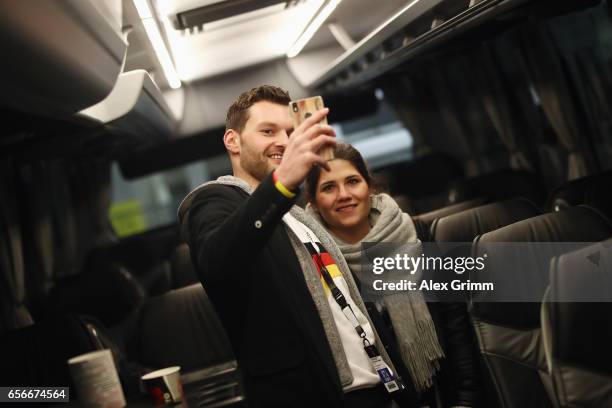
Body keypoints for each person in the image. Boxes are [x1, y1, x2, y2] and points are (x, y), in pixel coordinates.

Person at [178, 86, 416, 408]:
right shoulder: (211, 201)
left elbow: (349, 302)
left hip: (378, 386)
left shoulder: (298, 214)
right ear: (232, 140)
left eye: (290, 132)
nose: (283, 141)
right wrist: (282, 184)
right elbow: (219, 260)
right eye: (268, 131)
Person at [305, 143, 481, 408]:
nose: (343, 194)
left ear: (370, 187)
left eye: (352, 181)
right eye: (328, 187)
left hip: (445, 393)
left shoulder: (414, 232)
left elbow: (454, 321)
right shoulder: (313, 263)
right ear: (315, 202)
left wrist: (466, 399)